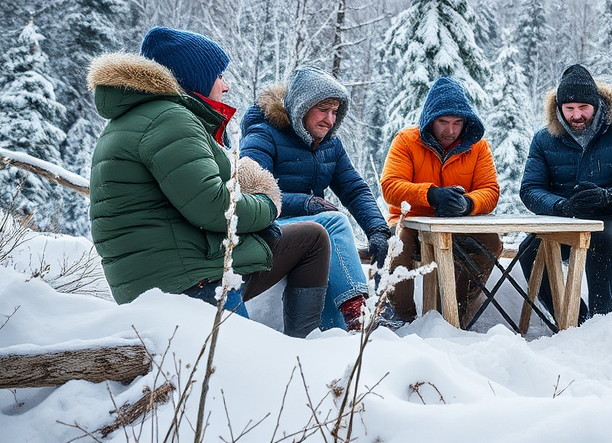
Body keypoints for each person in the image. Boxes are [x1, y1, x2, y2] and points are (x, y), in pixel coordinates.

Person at [88, 27, 330, 338]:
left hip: (172, 271)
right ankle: (302, 349)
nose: (226, 86)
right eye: (218, 75)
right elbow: (214, 207)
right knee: (245, 376)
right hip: (189, 284)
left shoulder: (139, 119)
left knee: (311, 237)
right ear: (195, 78)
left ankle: (310, 345)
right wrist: (268, 203)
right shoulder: (169, 119)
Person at [240, 66, 392, 332]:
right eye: (323, 109)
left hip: (310, 232)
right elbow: (251, 190)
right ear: (301, 107)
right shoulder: (264, 135)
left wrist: (377, 229)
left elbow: (354, 189)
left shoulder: (330, 145)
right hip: (268, 226)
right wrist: (305, 202)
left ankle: (337, 336)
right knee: (332, 223)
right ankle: (359, 315)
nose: (330, 120)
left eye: (335, 112)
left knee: (327, 232)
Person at [518, 64, 612, 323]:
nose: (576, 115)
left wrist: (609, 197)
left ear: (597, 104)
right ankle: (571, 317)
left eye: (583, 108)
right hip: (561, 218)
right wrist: (561, 206)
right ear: (558, 108)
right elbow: (530, 189)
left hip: (610, 216)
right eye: (569, 109)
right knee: (530, 251)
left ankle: (601, 321)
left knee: (603, 241)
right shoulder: (543, 139)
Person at [380, 77, 502, 326]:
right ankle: (401, 318)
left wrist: (467, 204)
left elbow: (490, 191)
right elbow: (390, 186)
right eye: (443, 122)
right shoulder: (406, 141)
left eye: (457, 123)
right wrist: (431, 194)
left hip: (457, 225)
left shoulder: (478, 147)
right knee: (396, 245)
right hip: (410, 222)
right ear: (430, 121)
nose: (450, 131)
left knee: (491, 242)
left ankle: (456, 310)